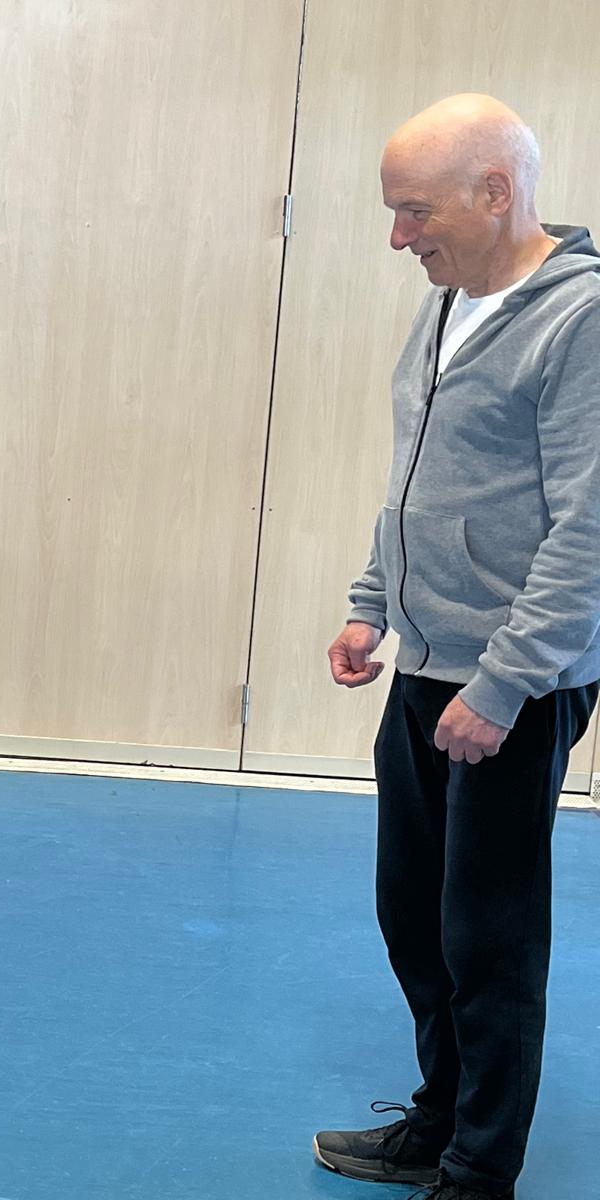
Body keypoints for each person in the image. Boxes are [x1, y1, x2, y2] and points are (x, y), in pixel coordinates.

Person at [317, 94, 600, 1199]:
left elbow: (588, 528)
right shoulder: (448, 304)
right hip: (427, 669)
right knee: (413, 916)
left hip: (508, 688)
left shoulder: (578, 319)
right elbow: (418, 478)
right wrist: (370, 602)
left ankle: (481, 1169)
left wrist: (503, 685)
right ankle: (437, 1121)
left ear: (497, 192)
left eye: (413, 211)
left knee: (487, 940)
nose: (399, 237)